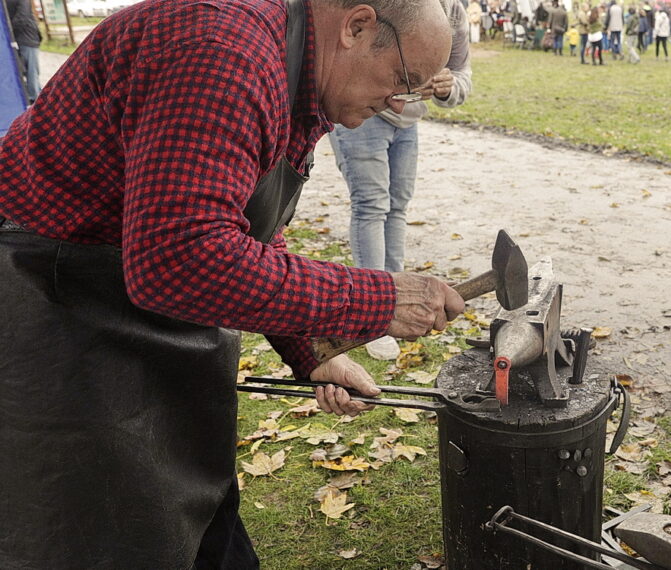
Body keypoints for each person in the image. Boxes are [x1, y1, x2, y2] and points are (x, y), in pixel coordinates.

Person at [0, 0, 461, 567]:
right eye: (402, 80)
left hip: (124, 285)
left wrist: (307, 347)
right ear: (357, 26)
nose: (400, 103)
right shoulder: (226, 52)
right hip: (52, 296)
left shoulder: (302, 72)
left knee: (200, 519)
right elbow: (179, 256)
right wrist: (375, 299)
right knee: (98, 534)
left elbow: (248, 221)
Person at [327, 0, 471, 362]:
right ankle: (370, 316)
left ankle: (396, 302)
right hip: (366, 111)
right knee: (371, 205)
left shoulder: (454, 12)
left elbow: (463, 77)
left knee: (397, 206)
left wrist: (447, 86)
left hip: (408, 121)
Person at [3, 0, 40, 103]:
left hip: (24, 38)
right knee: (30, 71)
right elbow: (22, 18)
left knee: (30, 71)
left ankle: (36, 98)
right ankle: (34, 99)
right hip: (24, 38)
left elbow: (22, 18)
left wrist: (8, 31)